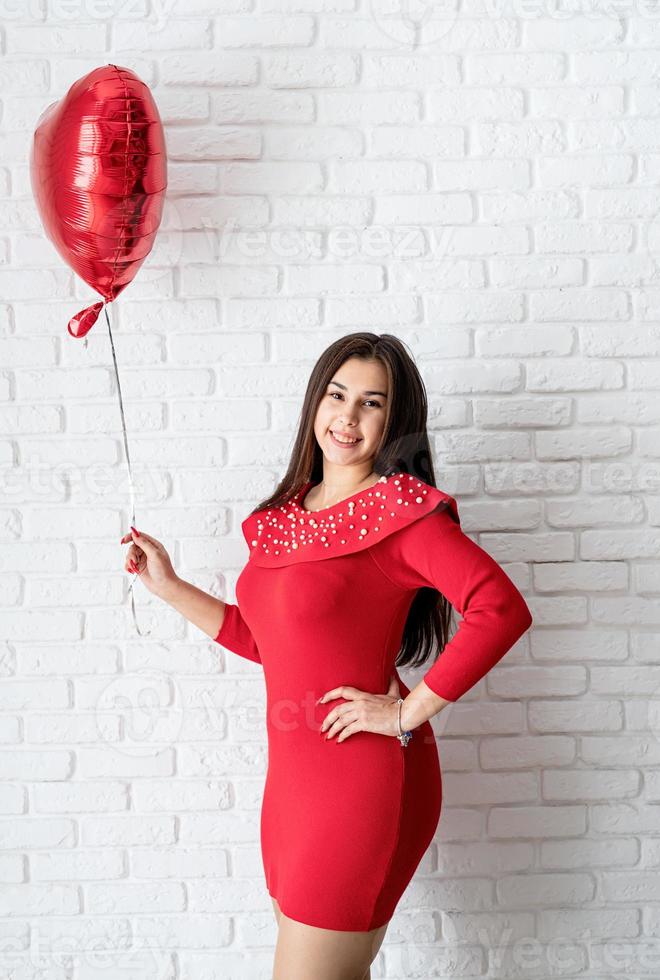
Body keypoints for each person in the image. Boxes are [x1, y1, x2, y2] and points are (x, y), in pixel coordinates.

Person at [120, 333, 533, 980]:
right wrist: (170, 588)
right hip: (292, 787)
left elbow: (500, 609)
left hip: (361, 781)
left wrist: (406, 713)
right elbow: (268, 644)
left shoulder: (404, 512)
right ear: (316, 401)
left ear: (395, 422)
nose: (348, 416)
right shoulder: (284, 516)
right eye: (337, 395)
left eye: (372, 403)